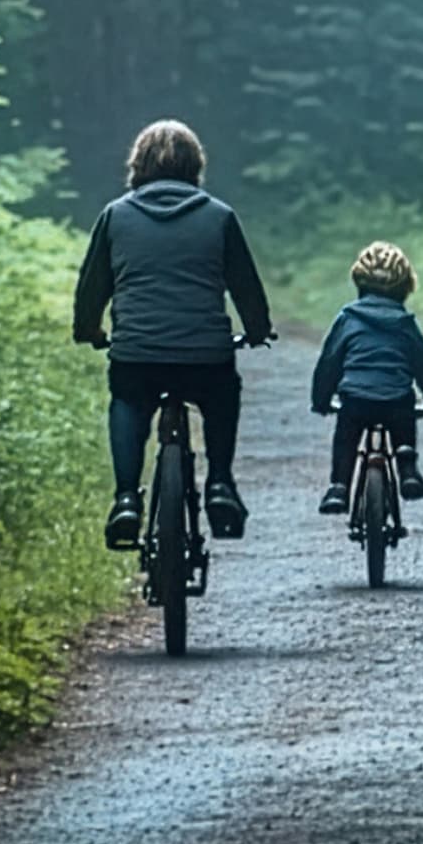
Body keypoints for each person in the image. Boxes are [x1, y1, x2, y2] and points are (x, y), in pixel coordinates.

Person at [72, 119, 275, 549]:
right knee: (222, 396)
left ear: (137, 164)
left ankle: (127, 498)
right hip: (205, 355)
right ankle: (220, 483)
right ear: (195, 165)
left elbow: (92, 287)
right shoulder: (220, 217)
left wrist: (89, 329)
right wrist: (257, 330)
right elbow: (245, 287)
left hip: (137, 354)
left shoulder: (115, 216)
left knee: (128, 400)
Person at [311, 240, 423, 512]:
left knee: (346, 438)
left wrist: (321, 399)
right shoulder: (405, 324)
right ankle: (407, 467)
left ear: (359, 283)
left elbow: (329, 363)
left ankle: (339, 486)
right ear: (405, 289)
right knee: (403, 418)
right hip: (396, 400)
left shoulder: (347, 320)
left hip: (355, 400)